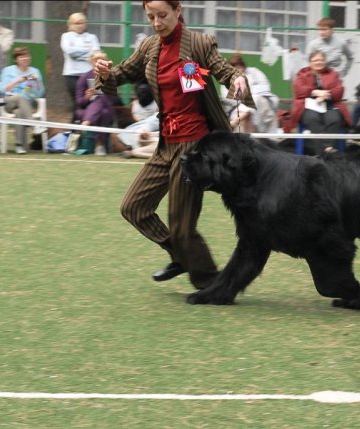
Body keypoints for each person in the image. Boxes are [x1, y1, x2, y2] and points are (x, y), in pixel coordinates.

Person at [94, 0, 252, 289]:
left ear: (178, 11)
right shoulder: (149, 48)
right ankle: (180, 256)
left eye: (163, 15)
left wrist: (238, 79)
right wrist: (105, 73)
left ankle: (209, 283)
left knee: (181, 226)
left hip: (194, 148)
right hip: (165, 144)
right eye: (150, 16)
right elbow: (120, 74)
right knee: (133, 207)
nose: (156, 23)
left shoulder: (198, 44)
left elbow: (223, 71)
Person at [288, 50, 352, 154]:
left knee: (334, 118)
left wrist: (326, 94)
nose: (319, 62)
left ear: (325, 61)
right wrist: (314, 92)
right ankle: (325, 151)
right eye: (315, 60)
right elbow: (298, 89)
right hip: (308, 104)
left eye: (321, 60)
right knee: (312, 118)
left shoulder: (333, 74)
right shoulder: (302, 74)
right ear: (310, 62)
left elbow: (340, 89)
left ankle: (327, 148)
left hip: (329, 103)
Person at [0, 47, 45, 154]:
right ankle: (34, 125)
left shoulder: (35, 71)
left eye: (27, 56)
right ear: (16, 59)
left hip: (26, 105)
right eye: (22, 56)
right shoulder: (7, 71)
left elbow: (39, 93)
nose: (25, 58)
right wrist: (17, 81)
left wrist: (36, 83)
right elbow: (2, 90)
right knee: (19, 97)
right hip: (9, 101)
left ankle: (20, 146)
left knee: (18, 112)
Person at [221, 53, 279, 134]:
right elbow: (230, 100)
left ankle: (235, 122)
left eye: (240, 66)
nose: (238, 69)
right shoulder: (227, 81)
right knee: (249, 112)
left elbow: (266, 87)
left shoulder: (254, 72)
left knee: (255, 98)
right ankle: (241, 120)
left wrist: (248, 92)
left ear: (243, 65)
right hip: (240, 109)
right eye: (234, 67)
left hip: (262, 107)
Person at [61, 12, 101, 122]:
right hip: (71, 75)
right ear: (70, 24)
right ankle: (75, 128)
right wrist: (88, 51)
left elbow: (96, 54)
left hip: (89, 74)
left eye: (82, 22)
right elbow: (70, 52)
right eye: (76, 23)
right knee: (78, 102)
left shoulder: (92, 37)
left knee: (92, 100)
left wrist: (80, 53)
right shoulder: (66, 36)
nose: (79, 25)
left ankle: (84, 125)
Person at [76, 51, 117, 156]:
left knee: (100, 100)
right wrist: (87, 97)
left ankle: (87, 122)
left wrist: (101, 93)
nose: (98, 62)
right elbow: (79, 102)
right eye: (95, 60)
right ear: (91, 62)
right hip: (86, 108)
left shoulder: (110, 77)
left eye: (101, 59)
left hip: (106, 106)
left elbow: (113, 99)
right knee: (103, 113)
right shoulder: (84, 78)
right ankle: (99, 145)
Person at [117, 83, 160, 158]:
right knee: (138, 147)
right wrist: (144, 132)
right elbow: (149, 124)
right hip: (148, 137)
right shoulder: (155, 117)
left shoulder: (156, 106)